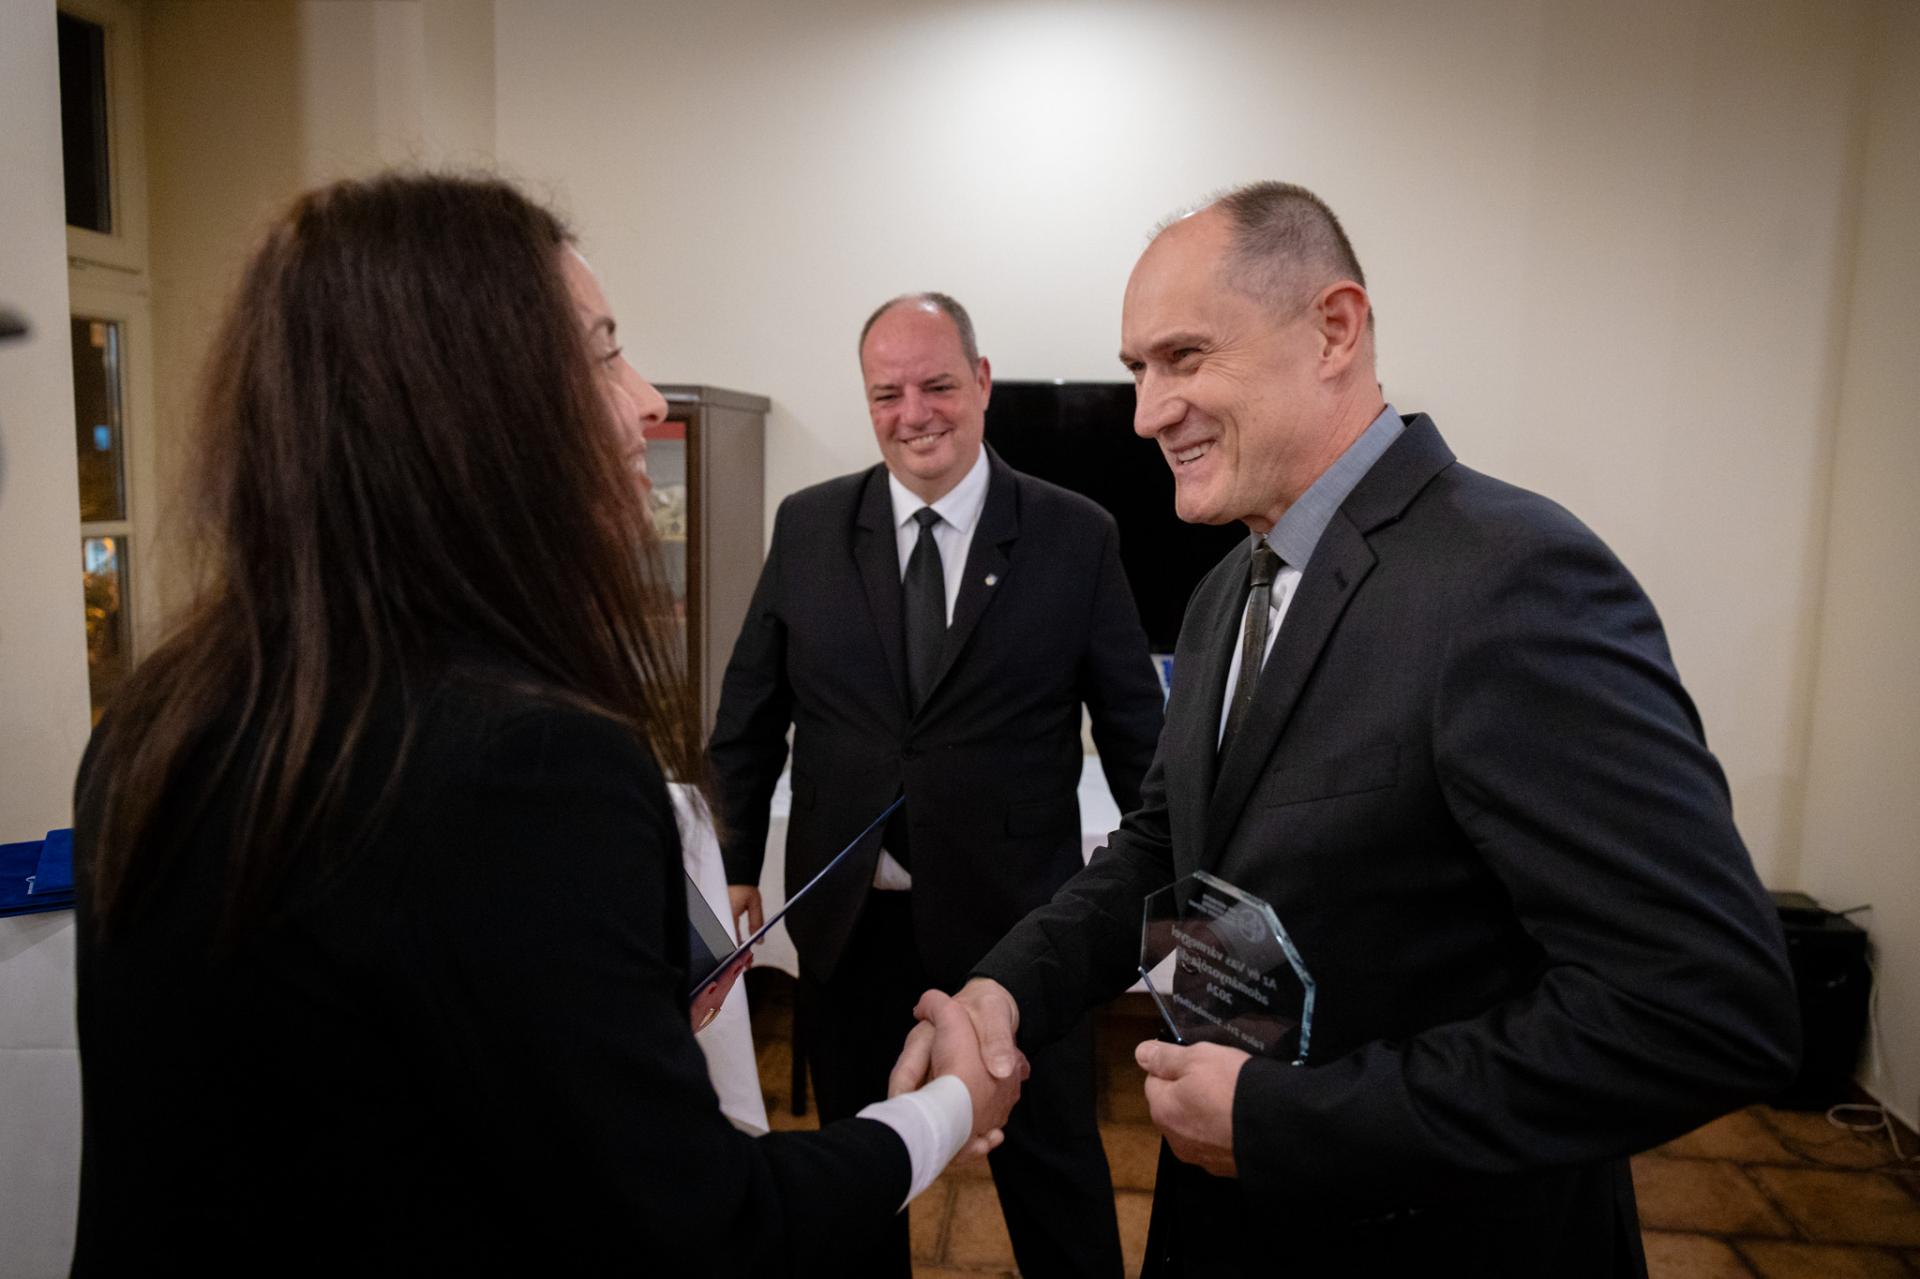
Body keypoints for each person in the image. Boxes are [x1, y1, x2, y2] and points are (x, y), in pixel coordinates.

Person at [67, 172, 1020, 1277]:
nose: (647, 400)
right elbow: (708, 1223)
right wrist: (952, 1103)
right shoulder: (528, 765)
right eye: (603, 353)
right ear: (469, 407)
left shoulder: (158, 714)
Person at [890, 182, 1801, 1276]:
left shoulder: (1512, 580)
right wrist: (1005, 989)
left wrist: (1286, 1122)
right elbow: (1165, 851)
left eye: (1185, 357)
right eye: (1138, 369)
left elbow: (1705, 1006)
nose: (1147, 412)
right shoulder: (1227, 587)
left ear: (1334, 330)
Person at [709, 292, 1165, 1276]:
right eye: (888, 393)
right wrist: (736, 859)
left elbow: (1139, 732)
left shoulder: (1074, 534)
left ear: (983, 381)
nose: (914, 413)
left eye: (938, 385)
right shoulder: (809, 525)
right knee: (857, 1181)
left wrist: (1183, 888)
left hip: (1020, 931)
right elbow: (749, 711)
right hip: (850, 929)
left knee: (1055, 1178)